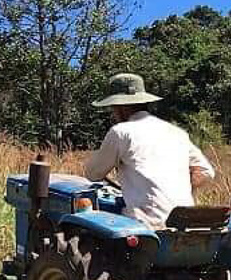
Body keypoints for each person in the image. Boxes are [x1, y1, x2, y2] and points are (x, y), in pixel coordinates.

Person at [82, 73, 215, 227]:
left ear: (120, 108)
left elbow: (93, 174)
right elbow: (206, 172)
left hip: (146, 224)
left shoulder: (121, 132)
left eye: (113, 108)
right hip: (184, 222)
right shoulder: (176, 132)